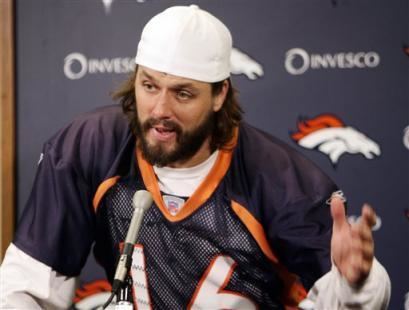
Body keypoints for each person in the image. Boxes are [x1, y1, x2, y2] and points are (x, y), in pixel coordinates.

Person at [0, 5, 390, 309]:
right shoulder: (89, 147)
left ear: (220, 94)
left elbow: (348, 298)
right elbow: (28, 288)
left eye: (183, 93)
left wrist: (358, 284)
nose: (159, 109)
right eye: (149, 85)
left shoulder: (278, 178)